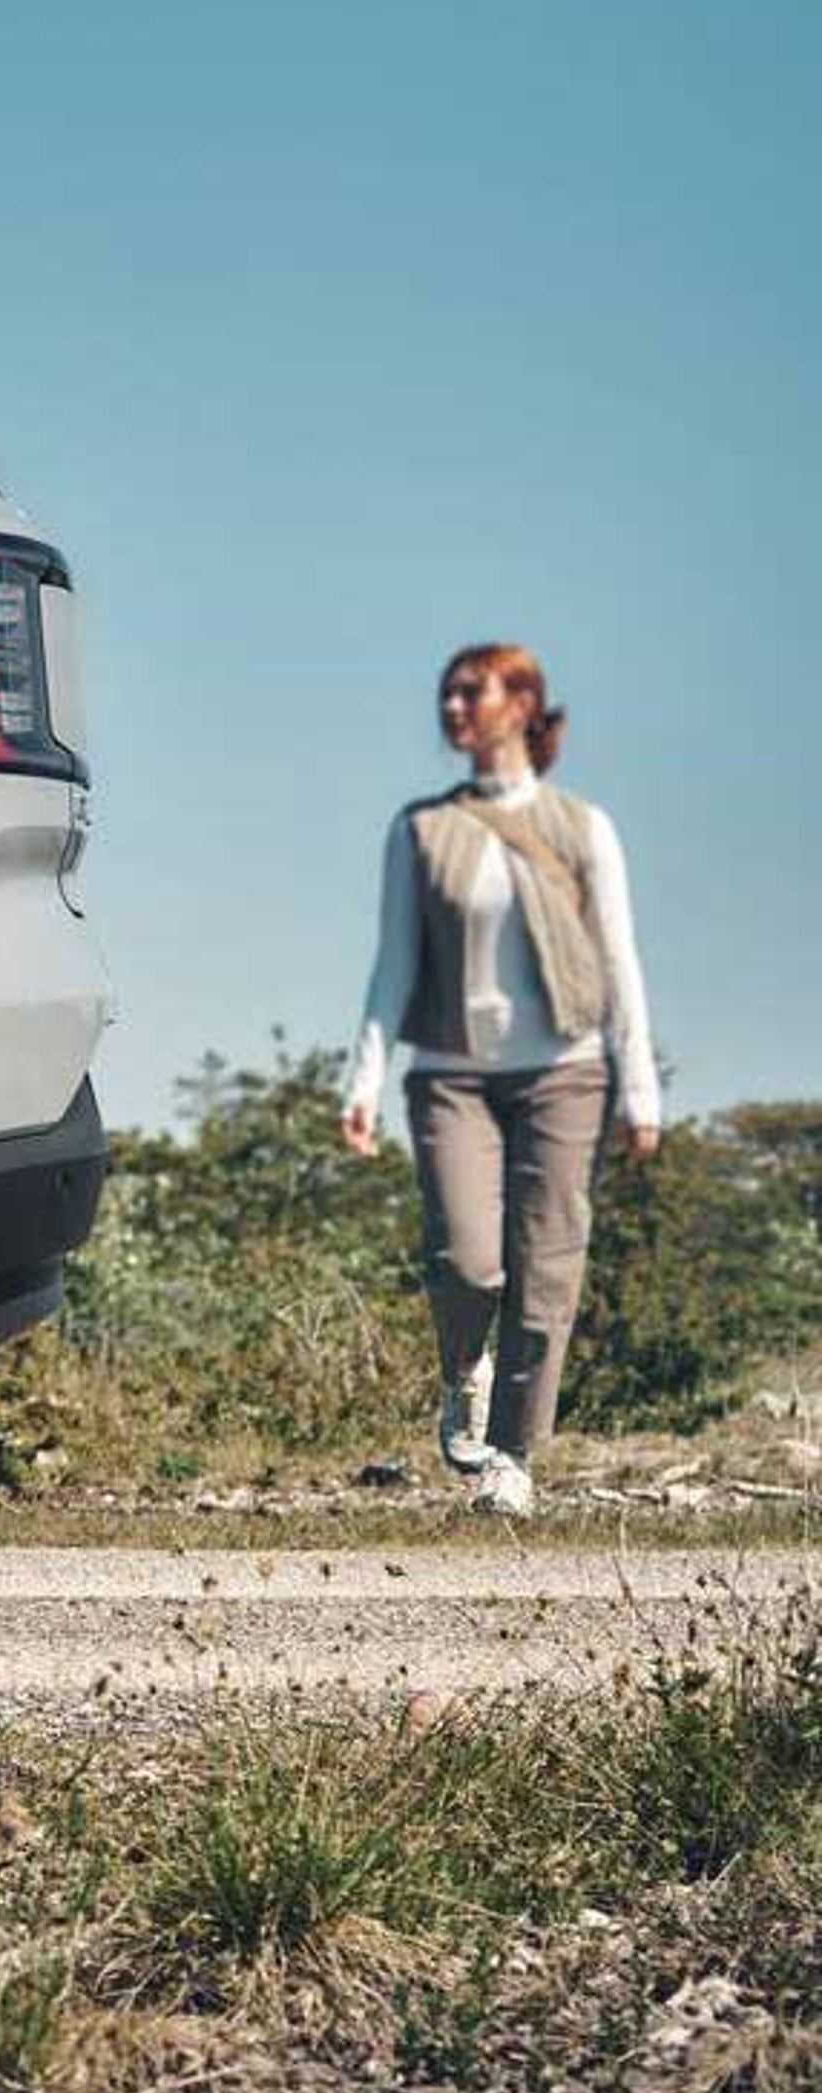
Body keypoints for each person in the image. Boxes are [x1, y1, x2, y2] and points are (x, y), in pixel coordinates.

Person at [341, 643, 660, 1514]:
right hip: (451, 1075)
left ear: (522, 706)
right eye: (447, 693)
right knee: (469, 1265)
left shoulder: (582, 827)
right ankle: (464, 1371)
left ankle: (515, 1458)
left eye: (470, 692)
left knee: (548, 1266)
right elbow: (393, 964)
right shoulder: (421, 829)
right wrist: (362, 1083)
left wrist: (641, 1091)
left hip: (566, 1070)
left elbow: (618, 959)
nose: (452, 707)